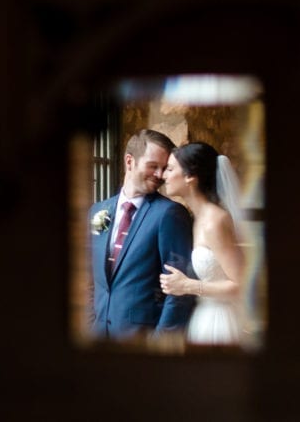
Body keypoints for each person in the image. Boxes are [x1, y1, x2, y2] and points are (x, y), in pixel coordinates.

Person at [87, 129, 195, 343]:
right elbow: (88, 276)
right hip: (97, 337)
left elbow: (180, 290)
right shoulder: (98, 211)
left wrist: (160, 342)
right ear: (130, 161)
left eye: (164, 169)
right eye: (153, 166)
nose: (159, 175)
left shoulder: (170, 214)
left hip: (142, 341)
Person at [159, 141, 248, 346]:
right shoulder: (199, 218)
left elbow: (241, 284)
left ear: (190, 176)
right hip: (204, 316)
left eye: (170, 169)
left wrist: (188, 286)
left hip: (220, 321)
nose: (164, 175)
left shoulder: (214, 222)